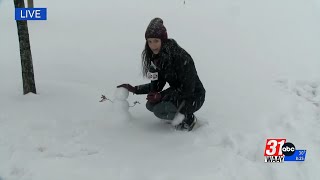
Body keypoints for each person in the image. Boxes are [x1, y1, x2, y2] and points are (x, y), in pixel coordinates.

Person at [117, 17, 206, 131]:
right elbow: (157, 86)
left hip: (194, 96)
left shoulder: (180, 57)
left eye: (156, 41)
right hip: (179, 93)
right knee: (150, 105)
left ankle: (189, 119)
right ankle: (177, 115)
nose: (152, 45)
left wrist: (162, 96)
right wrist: (135, 89)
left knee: (159, 109)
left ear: (163, 40)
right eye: (149, 41)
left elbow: (187, 89)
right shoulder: (159, 59)